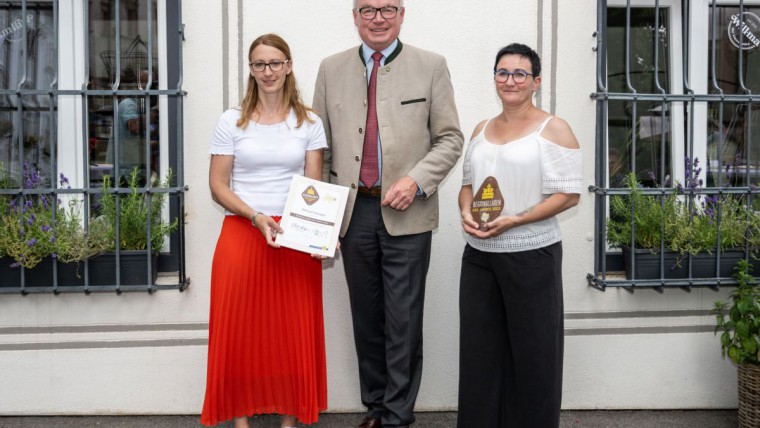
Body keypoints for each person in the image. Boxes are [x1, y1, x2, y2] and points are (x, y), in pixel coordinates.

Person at [313, 2, 464, 427]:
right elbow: (319, 151)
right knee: (366, 316)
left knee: (404, 318)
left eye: (387, 9)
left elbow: (451, 139)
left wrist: (415, 180)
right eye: (368, 9)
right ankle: (376, 407)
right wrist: (323, 223)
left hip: (408, 213)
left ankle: (398, 415)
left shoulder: (431, 66)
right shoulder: (330, 69)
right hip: (352, 212)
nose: (377, 18)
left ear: (402, 14)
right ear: (355, 16)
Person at [201, 34, 328, 428]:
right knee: (239, 331)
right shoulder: (231, 120)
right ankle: (240, 421)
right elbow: (218, 185)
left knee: (291, 332)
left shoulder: (309, 122)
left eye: (275, 63)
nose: (268, 71)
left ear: (289, 66)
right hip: (242, 232)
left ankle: (290, 421)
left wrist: (319, 232)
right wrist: (256, 217)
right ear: (251, 70)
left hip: (293, 236)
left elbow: (314, 189)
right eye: (259, 64)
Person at [457, 43, 582, 428]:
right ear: (494, 78)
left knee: (534, 355)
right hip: (479, 256)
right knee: (480, 354)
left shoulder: (554, 128)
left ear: (536, 82)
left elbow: (569, 194)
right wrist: (464, 210)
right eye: (502, 72)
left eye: (519, 74)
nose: (509, 80)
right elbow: (467, 185)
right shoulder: (480, 129)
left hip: (532, 255)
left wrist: (516, 220)